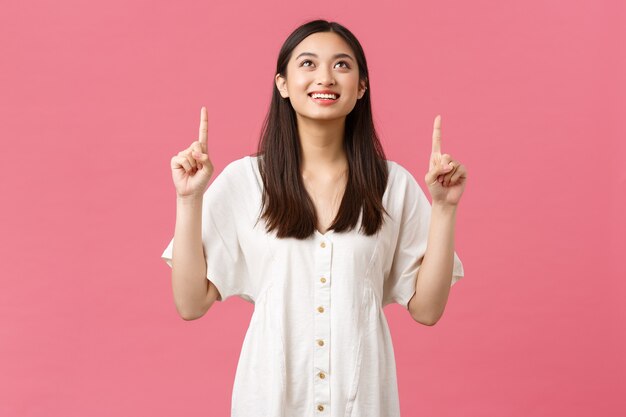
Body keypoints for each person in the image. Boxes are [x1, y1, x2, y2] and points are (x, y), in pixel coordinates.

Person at [161, 19, 467, 417]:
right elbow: (189, 303)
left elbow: (427, 310)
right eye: (307, 64)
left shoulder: (393, 185)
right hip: (268, 403)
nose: (325, 76)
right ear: (283, 84)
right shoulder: (245, 182)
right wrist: (189, 200)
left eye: (342, 65)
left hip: (363, 405)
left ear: (361, 87)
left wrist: (444, 208)